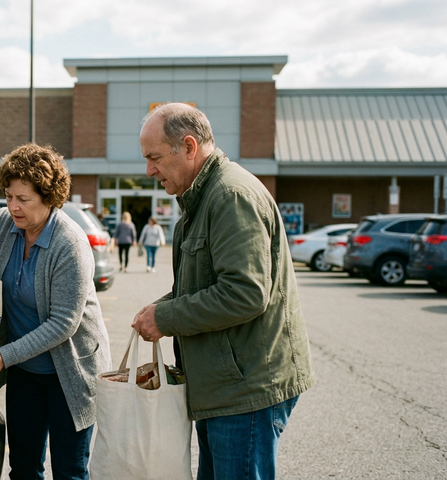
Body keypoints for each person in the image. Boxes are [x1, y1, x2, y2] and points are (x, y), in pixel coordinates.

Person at [131, 103, 315, 480]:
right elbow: (203, 286)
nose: (149, 170)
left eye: (154, 158)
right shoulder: (203, 197)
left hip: (244, 390)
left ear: (188, 146)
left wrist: (165, 317)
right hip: (225, 387)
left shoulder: (230, 195)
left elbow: (244, 293)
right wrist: (158, 309)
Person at [0, 143, 111, 480]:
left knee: (69, 470)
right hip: (25, 369)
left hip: (70, 372)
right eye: (8, 196)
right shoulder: (3, 224)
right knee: (23, 467)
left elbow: (63, 323)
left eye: (23, 199)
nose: (13, 207)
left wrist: (5, 356)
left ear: (49, 198)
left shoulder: (70, 244)